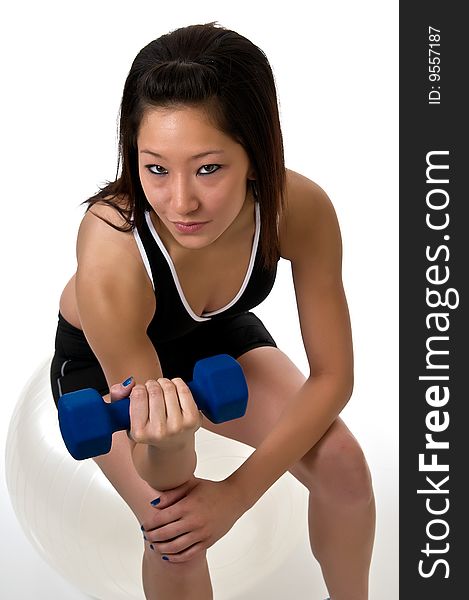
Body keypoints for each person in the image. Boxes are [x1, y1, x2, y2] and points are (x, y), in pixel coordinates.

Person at [50, 22, 375, 600]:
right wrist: (180, 464)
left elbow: (334, 376)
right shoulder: (112, 246)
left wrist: (236, 494)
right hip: (106, 370)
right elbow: (161, 464)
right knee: (174, 531)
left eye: (208, 168)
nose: (182, 202)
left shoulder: (297, 209)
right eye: (155, 168)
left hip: (216, 335)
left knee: (345, 466)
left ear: (258, 153)